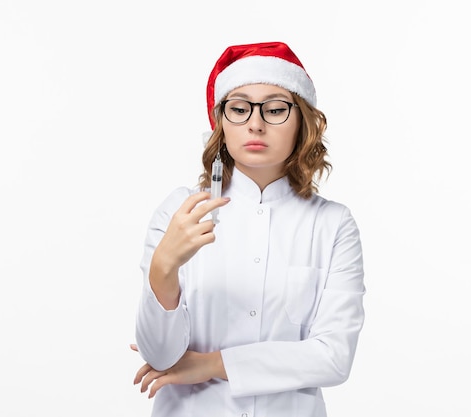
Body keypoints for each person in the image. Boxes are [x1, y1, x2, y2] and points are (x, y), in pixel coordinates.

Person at [132, 41, 365, 417]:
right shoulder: (181, 211)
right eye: (239, 109)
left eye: (275, 109)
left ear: (302, 122)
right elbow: (160, 356)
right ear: (221, 122)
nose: (255, 123)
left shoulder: (332, 224)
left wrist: (210, 364)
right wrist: (164, 268)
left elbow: (333, 358)